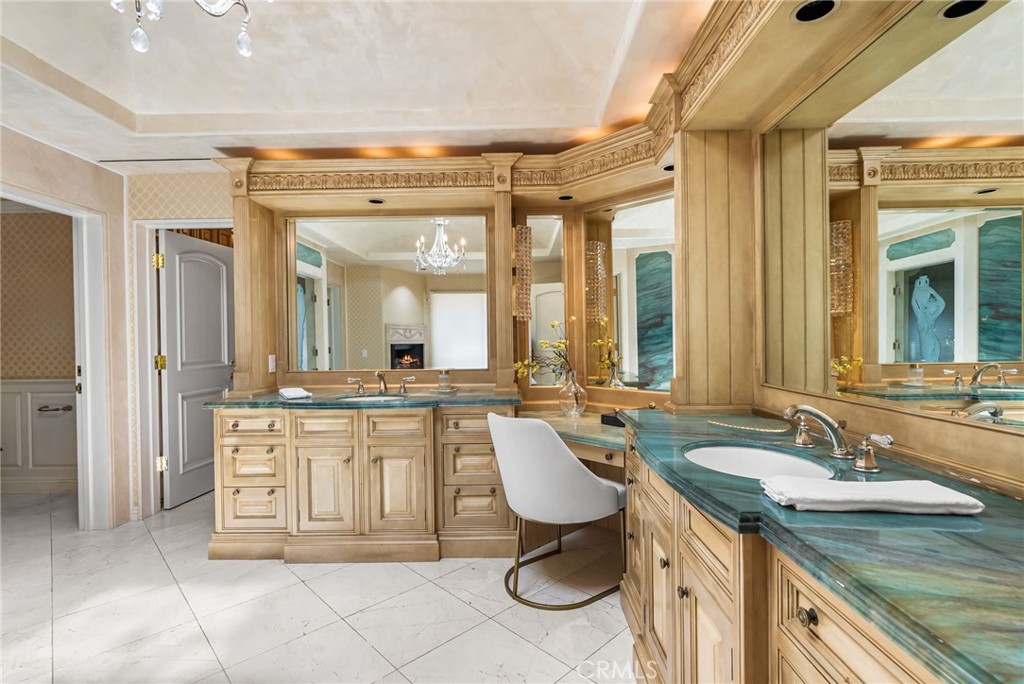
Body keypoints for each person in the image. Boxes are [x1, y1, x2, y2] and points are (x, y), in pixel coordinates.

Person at [911, 274, 945, 362]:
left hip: (933, 341)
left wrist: (930, 290)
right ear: (926, 307)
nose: (935, 309)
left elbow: (942, 304)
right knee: (929, 363)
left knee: (933, 362)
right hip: (927, 344)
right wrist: (919, 289)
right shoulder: (922, 316)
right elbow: (913, 303)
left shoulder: (931, 317)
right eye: (932, 305)